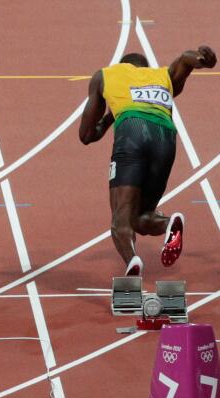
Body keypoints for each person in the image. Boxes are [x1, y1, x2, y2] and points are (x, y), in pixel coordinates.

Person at [79, 46, 216, 276]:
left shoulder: (105, 75)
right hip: (165, 137)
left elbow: (86, 135)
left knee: (120, 218)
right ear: (145, 69)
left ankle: (132, 261)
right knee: (142, 216)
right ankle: (167, 223)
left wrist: (112, 114)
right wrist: (204, 61)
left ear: (122, 65)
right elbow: (185, 59)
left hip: (131, 131)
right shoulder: (161, 76)